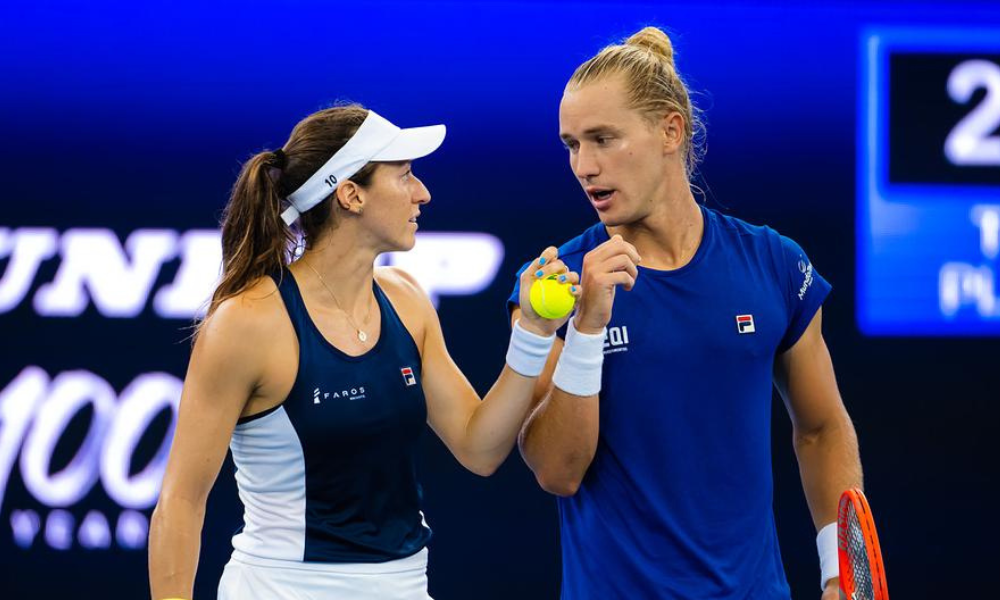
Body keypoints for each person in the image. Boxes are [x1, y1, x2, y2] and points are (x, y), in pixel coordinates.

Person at [148, 104, 578, 600]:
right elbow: (180, 502)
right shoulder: (247, 322)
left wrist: (534, 332)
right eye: (405, 176)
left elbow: (479, 448)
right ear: (350, 194)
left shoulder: (406, 300)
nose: (423, 193)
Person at [509, 27, 863, 599]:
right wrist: (587, 328)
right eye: (572, 144)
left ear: (670, 130)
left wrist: (838, 573)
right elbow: (557, 470)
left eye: (603, 139)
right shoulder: (557, 284)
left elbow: (822, 430)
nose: (584, 166)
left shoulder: (774, 264)